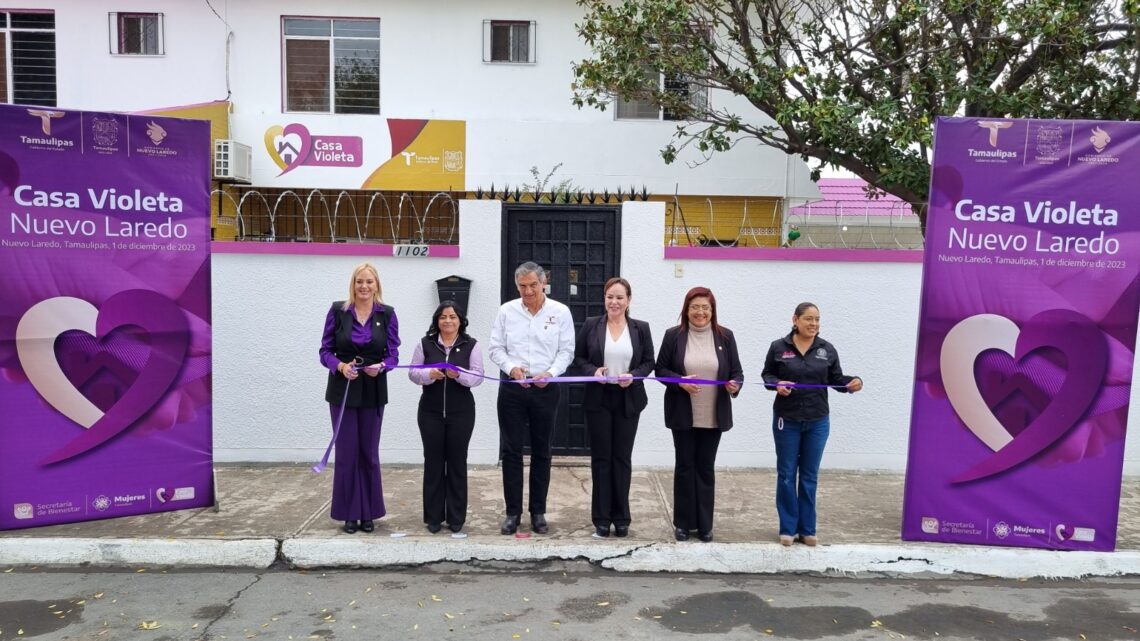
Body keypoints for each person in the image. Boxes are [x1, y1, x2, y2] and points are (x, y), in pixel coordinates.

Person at [762, 302, 862, 547]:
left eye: (817, 319)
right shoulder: (778, 347)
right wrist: (777, 384)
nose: (813, 324)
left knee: (809, 476)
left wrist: (853, 382)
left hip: (817, 421)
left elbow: (837, 380)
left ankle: (807, 529)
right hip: (788, 419)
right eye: (808, 319)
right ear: (795, 320)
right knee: (786, 475)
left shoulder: (826, 350)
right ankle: (788, 528)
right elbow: (767, 376)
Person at [488, 261, 575, 535]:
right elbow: (495, 348)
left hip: (545, 390)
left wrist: (550, 372)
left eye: (533, 286)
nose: (528, 291)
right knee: (511, 452)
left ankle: (538, 511)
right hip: (513, 389)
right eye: (522, 286)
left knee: (542, 452)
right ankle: (512, 512)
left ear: (543, 283)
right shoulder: (507, 311)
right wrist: (511, 368)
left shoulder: (560, 312)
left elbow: (567, 351)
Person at [655, 286, 743, 543]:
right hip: (683, 413)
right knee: (684, 468)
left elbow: (737, 372)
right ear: (686, 309)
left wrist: (735, 384)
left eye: (705, 307)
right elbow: (661, 370)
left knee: (705, 469)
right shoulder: (674, 336)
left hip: (713, 415)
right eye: (695, 307)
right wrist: (679, 381)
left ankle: (704, 525)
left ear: (712, 310)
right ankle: (683, 524)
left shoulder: (725, 337)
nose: (700, 312)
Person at [318, 262, 400, 534]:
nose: (364, 286)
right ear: (352, 285)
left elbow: (393, 353)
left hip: (373, 391)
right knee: (346, 453)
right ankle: (349, 514)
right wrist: (340, 366)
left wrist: (383, 366)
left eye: (369, 281)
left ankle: (369, 513)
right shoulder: (337, 311)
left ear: (377, 285)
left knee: (368, 453)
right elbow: (325, 351)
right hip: (343, 391)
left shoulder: (387, 314)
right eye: (359, 281)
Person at [573, 277, 655, 538]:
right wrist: (593, 370)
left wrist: (634, 374)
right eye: (610, 296)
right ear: (604, 298)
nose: (614, 302)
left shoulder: (641, 328)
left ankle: (621, 518)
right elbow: (579, 358)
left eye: (620, 297)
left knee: (621, 459)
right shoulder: (591, 325)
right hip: (599, 399)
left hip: (627, 399)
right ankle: (601, 518)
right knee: (601, 460)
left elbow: (649, 362)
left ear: (628, 300)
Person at [408, 301, 484, 535]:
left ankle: (456, 517)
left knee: (457, 463)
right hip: (430, 412)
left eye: (452, 316)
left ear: (460, 320)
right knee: (433, 463)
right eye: (443, 317)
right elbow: (412, 372)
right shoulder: (425, 344)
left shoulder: (471, 345)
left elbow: (479, 376)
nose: (448, 321)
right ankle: (433, 516)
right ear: (437, 320)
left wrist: (459, 375)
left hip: (461, 413)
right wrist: (428, 374)